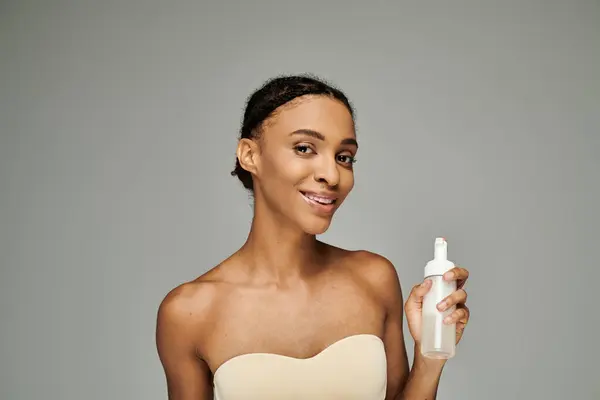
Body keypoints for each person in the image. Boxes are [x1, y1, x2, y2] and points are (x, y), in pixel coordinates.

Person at [155, 74, 470, 399]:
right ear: (250, 155)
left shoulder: (374, 279)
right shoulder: (189, 313)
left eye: (344, 157)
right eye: (304, 148)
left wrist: (430, 357)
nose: (331, 175)